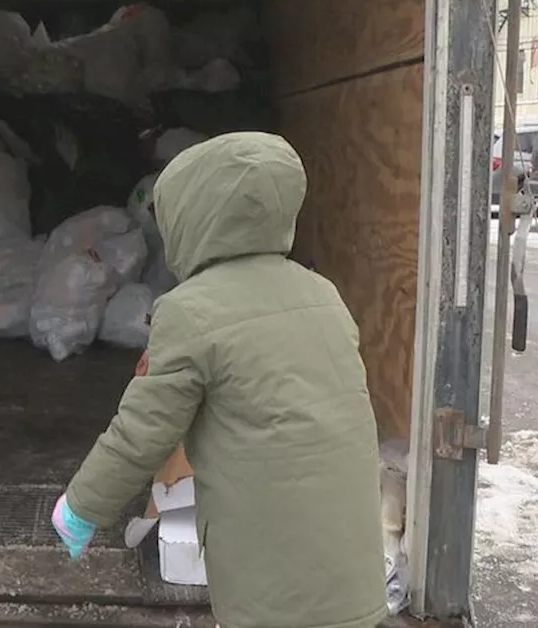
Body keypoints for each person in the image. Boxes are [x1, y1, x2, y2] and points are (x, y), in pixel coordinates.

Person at [51, 132, 387, 628]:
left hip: (273, 587)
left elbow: (141, 433)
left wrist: (80, 508)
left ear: (193, 219)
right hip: (354, 574)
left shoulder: (190, 312)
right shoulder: (323, 294)